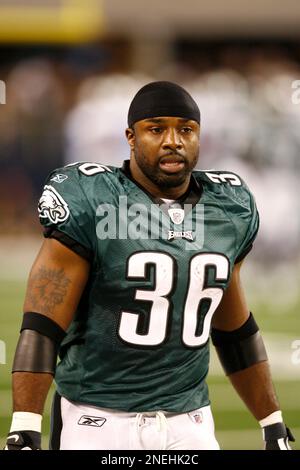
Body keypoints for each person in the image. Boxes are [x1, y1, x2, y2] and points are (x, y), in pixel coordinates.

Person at [5, 81, 295, 450]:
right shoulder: (92, 198)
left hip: (190, 422)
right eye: (156, 129)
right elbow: (43, 324)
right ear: (130, 136)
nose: (173, 140)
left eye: (185, 130)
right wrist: (25, 425)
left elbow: (235, 331)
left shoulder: (228, 208)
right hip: (97, 420)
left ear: (200, 137)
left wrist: (271, 422)